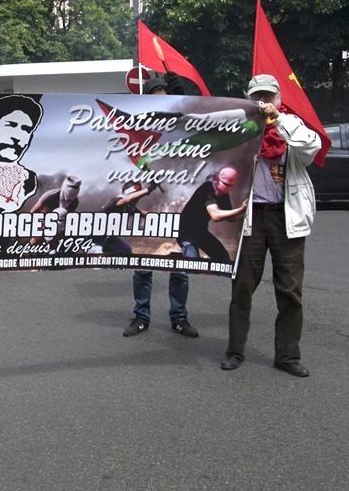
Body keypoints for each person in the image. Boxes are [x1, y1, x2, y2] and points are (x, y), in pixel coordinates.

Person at [221, 74, 320, 378]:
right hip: (250, 219)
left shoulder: (292, 127)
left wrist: (279, 121)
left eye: (268, 97)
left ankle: (288, 355)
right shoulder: (240, 131)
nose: (262, 102)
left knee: (290, 291)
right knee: (242, 287)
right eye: (256, 97)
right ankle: (235, 349)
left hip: (285, 217)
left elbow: (310, 149)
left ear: (278, 99)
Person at [121, 73, 206, 339]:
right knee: (143, 266)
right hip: (149, 208)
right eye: (155, 101)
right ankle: (141, 316)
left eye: (165, 100)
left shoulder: (179, 127)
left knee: (179, 266)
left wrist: (182, 97)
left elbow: (199, 117)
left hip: (177, 206)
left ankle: (179, 318)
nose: (161, 108)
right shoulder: (138, 133)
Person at [177, 166, 248, 265]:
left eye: (230, 185)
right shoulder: (207, 188)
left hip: (200, 232)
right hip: (185, 232)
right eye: (225, 184)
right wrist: (241, 209)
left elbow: (230, 217)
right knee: (192, 263)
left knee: (223, 259)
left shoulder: (223, 194)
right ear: (217, 179)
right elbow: (215, 215)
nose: (227, 188)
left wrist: (246, 214)